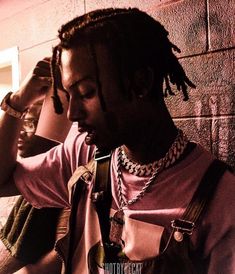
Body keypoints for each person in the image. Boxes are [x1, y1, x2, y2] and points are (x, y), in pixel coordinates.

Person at [0, 7, 234, 274]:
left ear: (141, 83)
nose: (72, 113)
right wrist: (16, 102)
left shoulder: (220, 199)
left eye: (86, 92)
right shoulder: (84, 154)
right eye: (69, 94)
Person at [0, 101, 66, 274]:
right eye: (20, 124)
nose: (20, 133)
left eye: (30, 124)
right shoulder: (20, 173)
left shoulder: (59, 176)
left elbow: (61, 254)